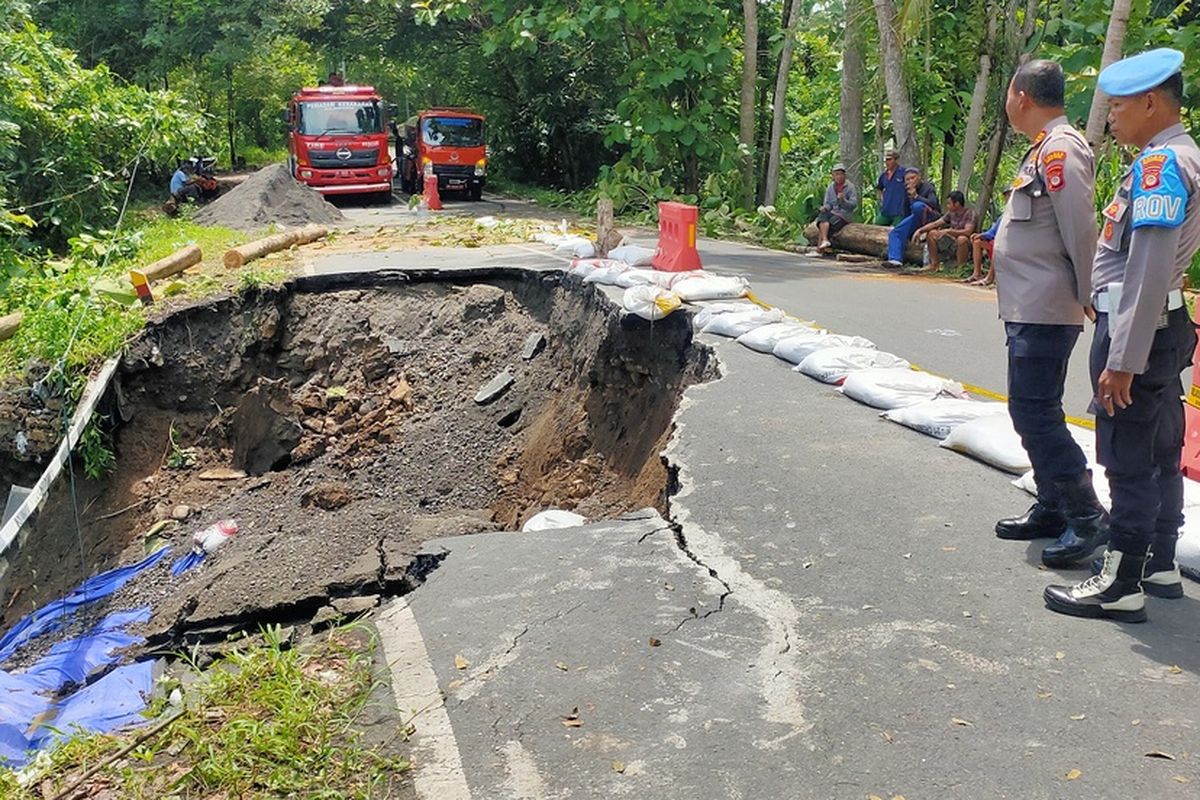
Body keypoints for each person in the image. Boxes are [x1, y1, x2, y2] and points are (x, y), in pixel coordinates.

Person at [1045, 48, 1200, 623]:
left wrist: (1124, 358)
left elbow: (1149, 266)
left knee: (1129, 457)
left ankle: (1122, 580)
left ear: (1151, 102)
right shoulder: (1180, 156)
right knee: (1159, 448)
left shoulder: (1160, 166)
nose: (1109, 117)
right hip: (1162, 323)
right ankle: (1158, 560)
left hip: (1141, 327)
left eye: (1116, 106)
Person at [990, 59, 1105, 569]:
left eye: (1009, 94)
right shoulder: (1042, 148)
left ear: (1021, 96)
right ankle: (1053, 506)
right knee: (1032, 409)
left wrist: (1088, 290)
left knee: (1034, 412)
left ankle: (1087, 516)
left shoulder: (1061, 150)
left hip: (1048, 305)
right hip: (1029, 304)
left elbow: (1081, 229)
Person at [883, 168, 940, 267]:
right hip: (915, 218)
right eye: (907, 179)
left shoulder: (928, 187)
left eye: (912, 178)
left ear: (919, 177)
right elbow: (906, 210)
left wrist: (916, 196)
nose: (910, 181)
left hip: (931, 218)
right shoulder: (906, 191)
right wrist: (905, 227)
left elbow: (934, 204)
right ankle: (895, 259)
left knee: (917, 206)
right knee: (895, 233)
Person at [910, 190, 977, 273]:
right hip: (952, 241)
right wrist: (920, 230)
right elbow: (936, 223)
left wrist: (949, 231)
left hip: (966, 243)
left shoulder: (970, 213)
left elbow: (968, 232)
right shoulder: (951, 213)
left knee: (961, 239)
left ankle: (961, 268)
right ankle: (934, 265)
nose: (947, 206)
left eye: (949, 203)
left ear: (957, 204)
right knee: (932, 233)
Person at [814, 163, 859, 252]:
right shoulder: (831, 187)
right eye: (837, 174)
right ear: (833, 176)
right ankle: (825, 241)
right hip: (832, 212)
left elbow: (853, 205)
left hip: (844, 215)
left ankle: (820, 249)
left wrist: (843, 200)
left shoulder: (850, 187)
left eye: (841, 174)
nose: (839, 176)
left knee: (830, 224)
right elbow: (828, 203)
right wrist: (825, 207)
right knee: (821, 218)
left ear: (845, 175)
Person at [964, 214, 1001, 285]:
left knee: (997, 245)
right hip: (996, 241)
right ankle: (977, 273)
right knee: (977, 242)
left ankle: (990, 277)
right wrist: (981, 235)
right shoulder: (1002, 217)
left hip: (1004, 244)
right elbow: (992, 232)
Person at [874, 150, 907, 226]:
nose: (887, 162)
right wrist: (882, 199)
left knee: (896, 231)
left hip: (899, 211)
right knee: (876, 227)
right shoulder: (883, 175)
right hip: (886, 210)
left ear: (896, 160)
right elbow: (879, 188)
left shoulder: (903, 172)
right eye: (886, 160)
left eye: (889, 160)